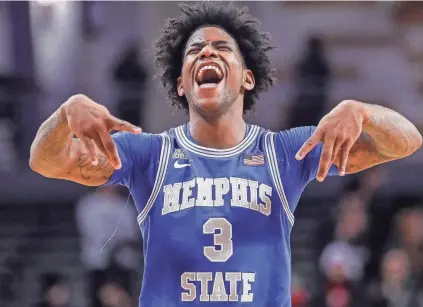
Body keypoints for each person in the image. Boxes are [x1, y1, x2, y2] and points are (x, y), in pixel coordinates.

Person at [28, 3, 422, 307]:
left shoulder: (285, 152)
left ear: (247, 77)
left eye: (222, 48)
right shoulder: (150, 154)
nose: (206, 53)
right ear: (181, 83)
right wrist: (65, 115)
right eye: (194, 50)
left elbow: (406, 141)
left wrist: (364, 111)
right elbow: (45, 161)